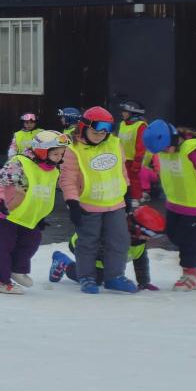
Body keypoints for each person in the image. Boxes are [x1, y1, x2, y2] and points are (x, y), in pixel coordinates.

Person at [141, 119, 196, 291]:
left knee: (188, 239)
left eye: (166, 148)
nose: (165, 153)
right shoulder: (164, 149)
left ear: (175, 139)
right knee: (174, 235)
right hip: (176, 203)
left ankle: (191, 275)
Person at [56, 105, 132, 293]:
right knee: (88, 242)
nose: (100, 135)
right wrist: (72, 203)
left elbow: (122, 170)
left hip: (115, 203)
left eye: (105, 131)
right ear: (84, 127)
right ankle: (87, 276)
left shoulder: (114, 143)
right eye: (96, 131)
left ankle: (115, 276)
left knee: (120, 241)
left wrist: (127, 191)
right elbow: (67, 179)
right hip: (88, 205)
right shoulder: (73, 149)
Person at [0, 129, 66, 294]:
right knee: (4, 246)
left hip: (27, 215)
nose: (60, 157)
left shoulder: (53, 169)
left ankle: (16, 269)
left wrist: (40, 215)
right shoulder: (20, 163)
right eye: (56, 153)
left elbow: (42, 193)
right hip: (5, 212)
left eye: (61, 153)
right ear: (43, 151)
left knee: (32, 240)